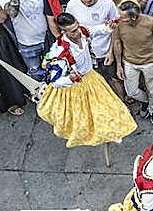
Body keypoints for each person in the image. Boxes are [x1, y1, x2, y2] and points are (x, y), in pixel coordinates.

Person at [35, 13, 137, 148]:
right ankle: (98, 134)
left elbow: (94, 30)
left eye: (77, 27)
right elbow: (55, 82)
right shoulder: (59, 51)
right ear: (63, 32)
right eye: (73, 31)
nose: (78, 32)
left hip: (91, 78)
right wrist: (70, 79)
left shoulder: (82, 31)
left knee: (107, 108)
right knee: (84, 117)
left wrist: (108, 28)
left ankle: (110, 133)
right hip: (76, 87)